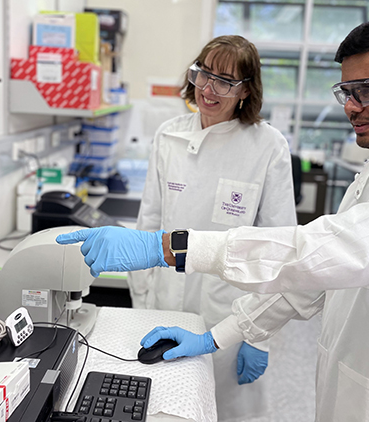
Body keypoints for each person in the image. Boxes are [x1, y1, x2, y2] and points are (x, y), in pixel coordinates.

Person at [57, 8, 369, 422]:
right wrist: (220, 335)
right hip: (345, 388)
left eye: (366, 91)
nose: (350, 106)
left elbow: (334, 250)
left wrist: (166, 246)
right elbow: (313, 279)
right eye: (346, 91)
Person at [126, 35, 305, 422]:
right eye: (204, 74)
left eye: (225, 81)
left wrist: (259, 337)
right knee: (163, 409)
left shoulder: (267, 145)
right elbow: (149, 226)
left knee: (224, 412)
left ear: (245, 91)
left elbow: (278, 249)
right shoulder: (169, 136)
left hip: (228, 317)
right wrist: (140, 306)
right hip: (165, 303)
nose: (208, 89)